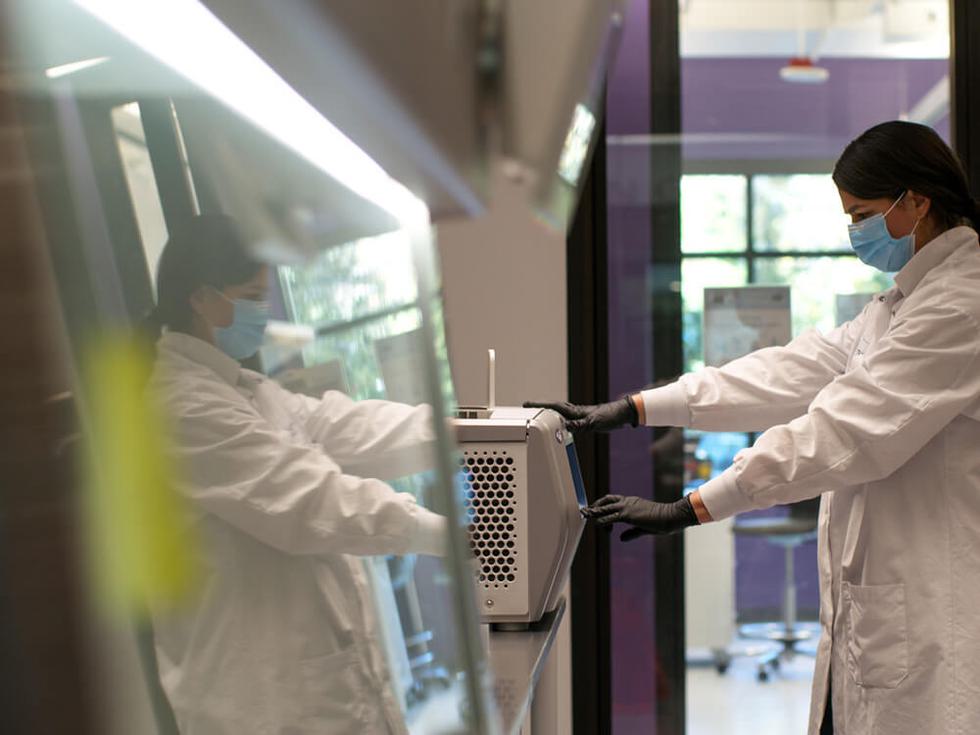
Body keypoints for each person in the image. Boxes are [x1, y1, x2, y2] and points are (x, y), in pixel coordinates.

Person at [530, 121, 980, 735]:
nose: (856, 234)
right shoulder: (900, 304)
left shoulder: (962, 302)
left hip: (933, 624)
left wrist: (694, 506)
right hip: (884, 623)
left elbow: (845, 430)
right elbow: (789, 371)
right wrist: (637, 407)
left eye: (865, 214)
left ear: (918, 201)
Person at [145, 214, 447, 735]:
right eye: (250, 295)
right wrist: (462, 538)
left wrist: (465, 431)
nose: (261, 313)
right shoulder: (180, 407)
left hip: (311, 687)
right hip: (262, 703)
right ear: (200, 298)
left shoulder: (247, 390)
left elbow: (348, 426)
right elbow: (313, 503)